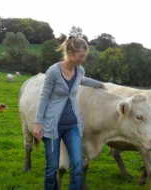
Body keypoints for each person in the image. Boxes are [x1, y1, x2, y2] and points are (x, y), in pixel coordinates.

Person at [33, 36, 106, 190]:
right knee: (52, 167)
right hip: (52, 126)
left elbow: (83, 80)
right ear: (70, 53)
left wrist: (99, 84)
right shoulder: (53, 71)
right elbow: (44, 96)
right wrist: (38, 123)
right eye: (81, 56)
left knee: (78, 165)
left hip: (73, 125)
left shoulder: (79, 70)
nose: (83, 59)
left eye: (84, 56)